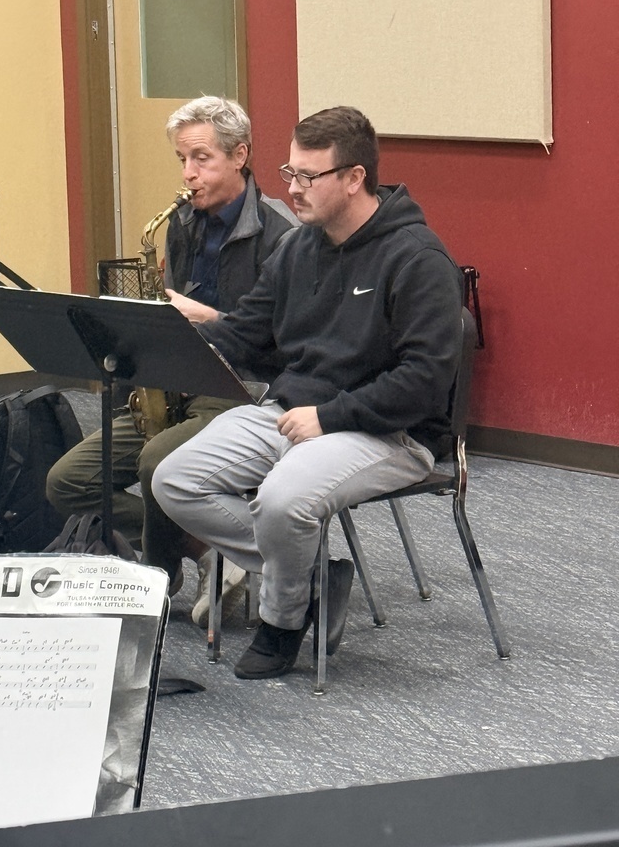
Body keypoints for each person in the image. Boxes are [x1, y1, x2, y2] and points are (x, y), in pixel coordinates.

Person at [152, 105, 463, 679]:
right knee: (173, 479)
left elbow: (424, 380)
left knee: (281, 499)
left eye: (307, 177)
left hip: (388, 429)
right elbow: (246, 335)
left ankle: (284, 619)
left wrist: (331, 415)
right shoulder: (298, 249)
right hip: (294, 411)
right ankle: (308, 576)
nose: (291, 188)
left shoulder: (418, 259)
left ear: (353, 178)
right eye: (288, 172)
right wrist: (167, 331)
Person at [46, 95, 298, 623]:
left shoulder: (282, 235)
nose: (188, 174)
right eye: (182, 160)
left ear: (240, 155)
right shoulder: (183, 222)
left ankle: (154, 585)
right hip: (176, 377)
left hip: (242, 387)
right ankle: (205, 546)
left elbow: (288, 342)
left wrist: (200, 315)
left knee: (156, 461)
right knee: (66, 482)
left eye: (201, 158)